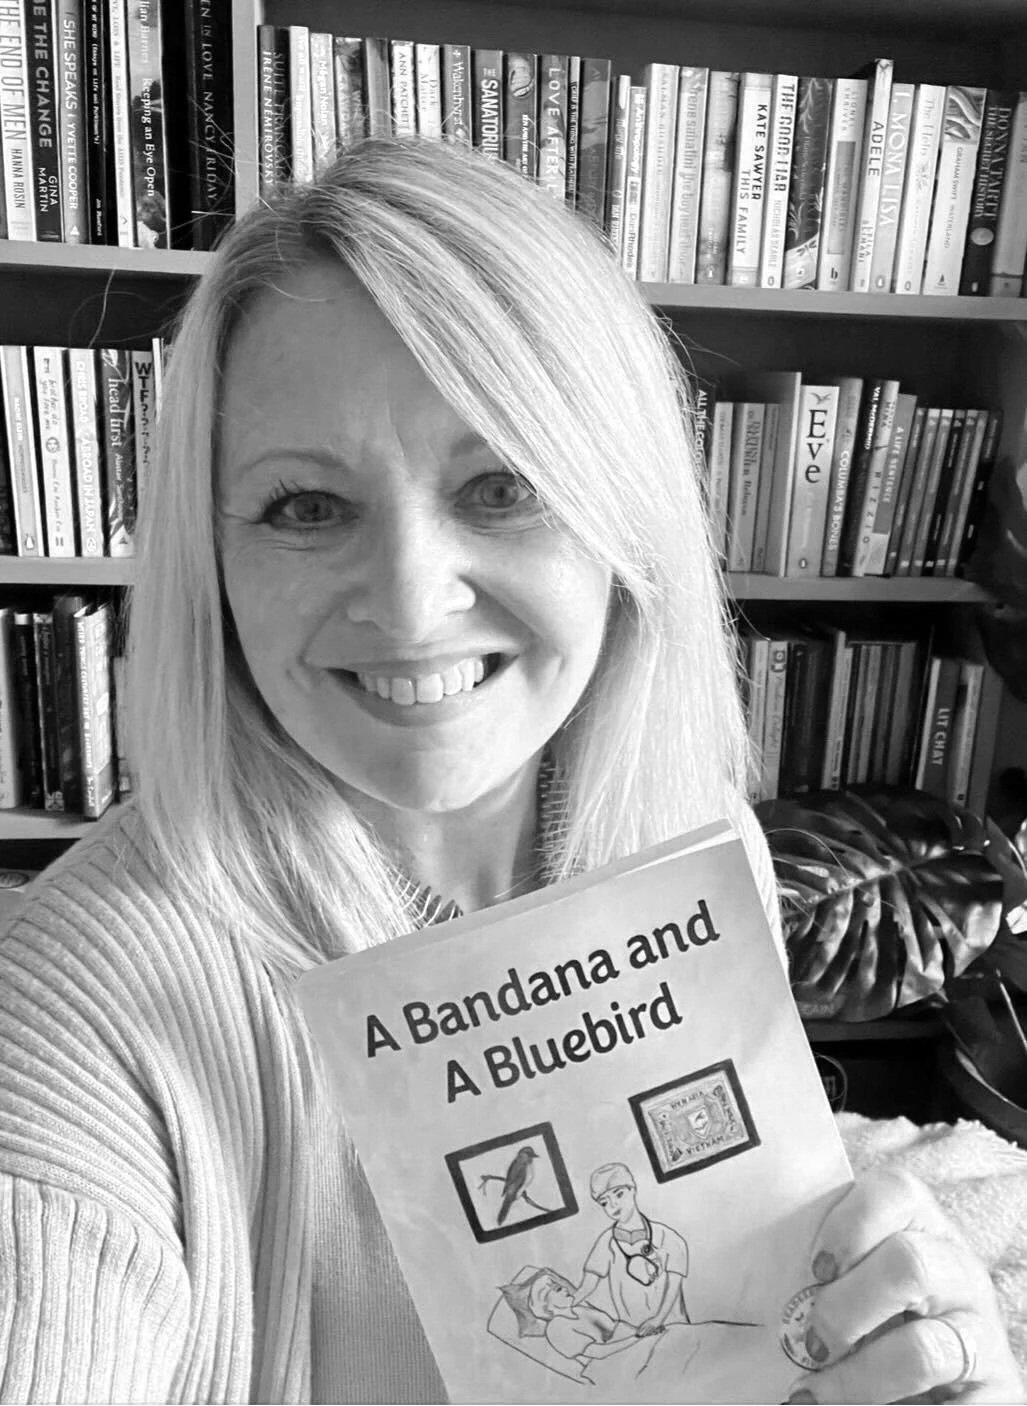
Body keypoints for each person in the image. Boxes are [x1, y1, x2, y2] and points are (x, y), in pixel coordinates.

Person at [0, 136, 1022, 1404]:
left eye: (500, 485)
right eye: (305, 506)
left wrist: (917, 1361)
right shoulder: (74, 1005)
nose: (409, 601)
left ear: (622, 519)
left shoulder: (690, 846)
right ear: (212, 562)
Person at [575, 1163, 690, 1336]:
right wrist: (567, 1306)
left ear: (633, 1189)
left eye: (619, 1194)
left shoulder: (668, 1238)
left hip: (673, 1328)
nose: (613, 1204)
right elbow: (587, 1285)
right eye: (604, 1202)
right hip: (634, 1334)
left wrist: (657, 1320)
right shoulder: (606, 1242)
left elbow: (674, 1285)